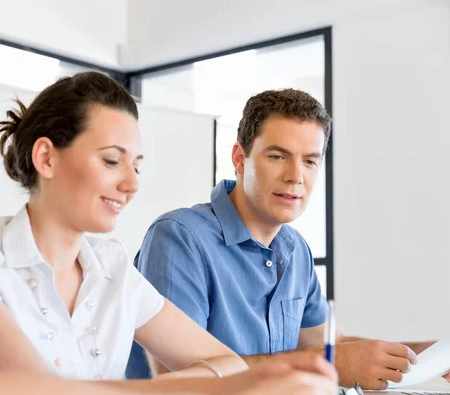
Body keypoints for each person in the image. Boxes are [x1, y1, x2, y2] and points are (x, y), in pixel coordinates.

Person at [0, 0, 338, 394]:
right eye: (110, 160)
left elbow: (226, 364)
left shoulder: (111, 269)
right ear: (46, 158)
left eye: (136, 165)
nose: (131, 183)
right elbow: (28, 390)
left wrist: (247, 377)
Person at [126, 88, 450, 390]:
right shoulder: (179, 238)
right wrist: (326, 364)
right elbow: (178, 381)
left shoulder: (295, 250)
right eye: (278, 156)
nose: (296, 176)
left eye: (310, 160)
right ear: (239, 158)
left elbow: (330, 346)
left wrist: (430, 355)